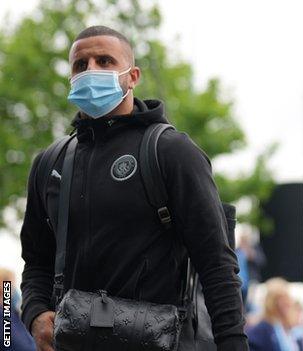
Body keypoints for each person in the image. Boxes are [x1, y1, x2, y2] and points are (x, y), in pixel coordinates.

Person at [19, 26, 248, 350]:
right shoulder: (49, 163)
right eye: (80, 65)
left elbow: (218, 265)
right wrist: (32, 313)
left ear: (133, 76)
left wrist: (234, 345)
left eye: (105, 61)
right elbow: (35, 261)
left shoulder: (171, 152)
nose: (91, 71)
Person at [247, 278, 302, 351]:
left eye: (287, 298)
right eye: (281, 299)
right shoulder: (260, 332)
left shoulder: (291, 331)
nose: (287, 303)